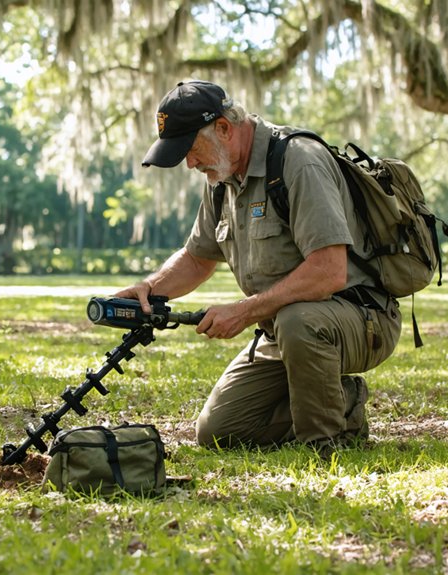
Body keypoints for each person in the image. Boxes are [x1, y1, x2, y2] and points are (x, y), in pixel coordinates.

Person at [114, 80, 403, 459]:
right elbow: (198, 256)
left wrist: (245, 310)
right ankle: (339, 398)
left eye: (190, 149)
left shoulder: (299, 161)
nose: (190, 163)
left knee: (299, 321)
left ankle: (324, 443)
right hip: (282, 330)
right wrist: (149, 289)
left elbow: (329, 271)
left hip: (360, 319)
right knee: (220, 431)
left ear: (223, 128)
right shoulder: (221, 177)